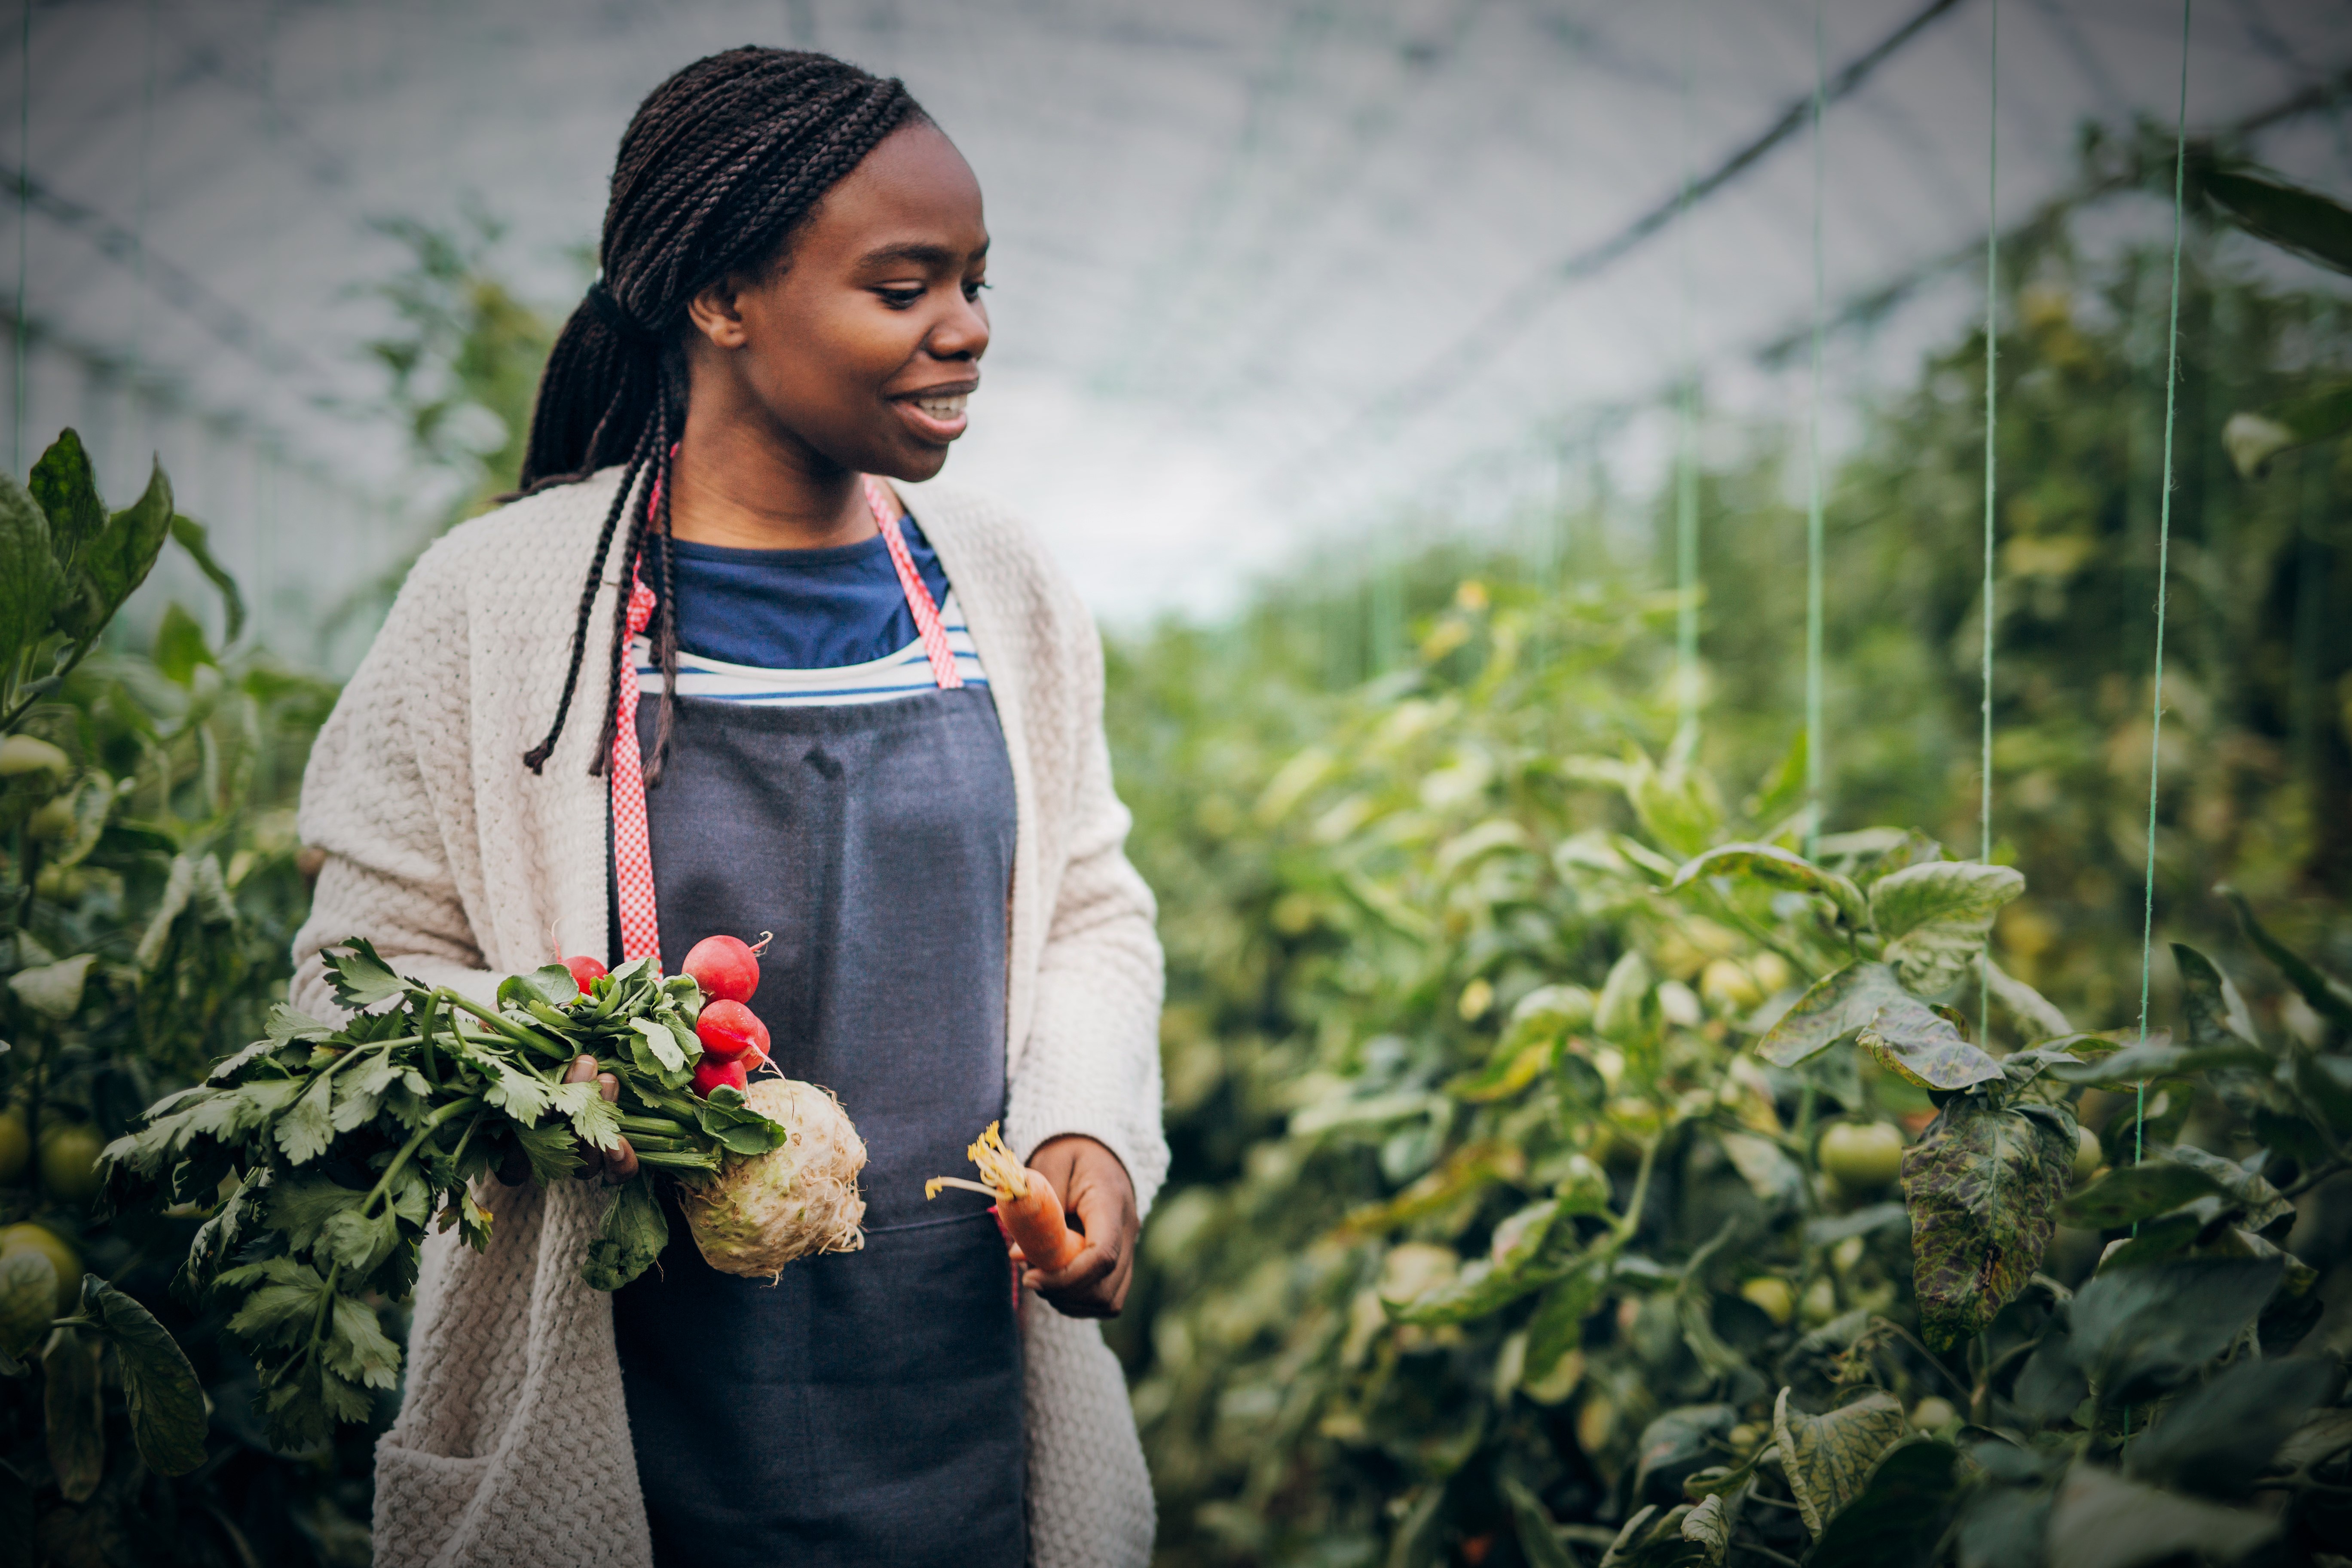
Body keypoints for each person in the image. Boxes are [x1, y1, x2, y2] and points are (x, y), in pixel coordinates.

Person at [290, 47, 1165, 1568]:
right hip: (630, 1432)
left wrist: (1089, 1131)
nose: (964, 330)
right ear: (720, 300)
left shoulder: (999, 584)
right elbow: (352, 982)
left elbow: (1089, 900)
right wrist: (560, 1068)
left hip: (955, 1420)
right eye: (905, 288)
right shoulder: (503, 607)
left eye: (977, 283)